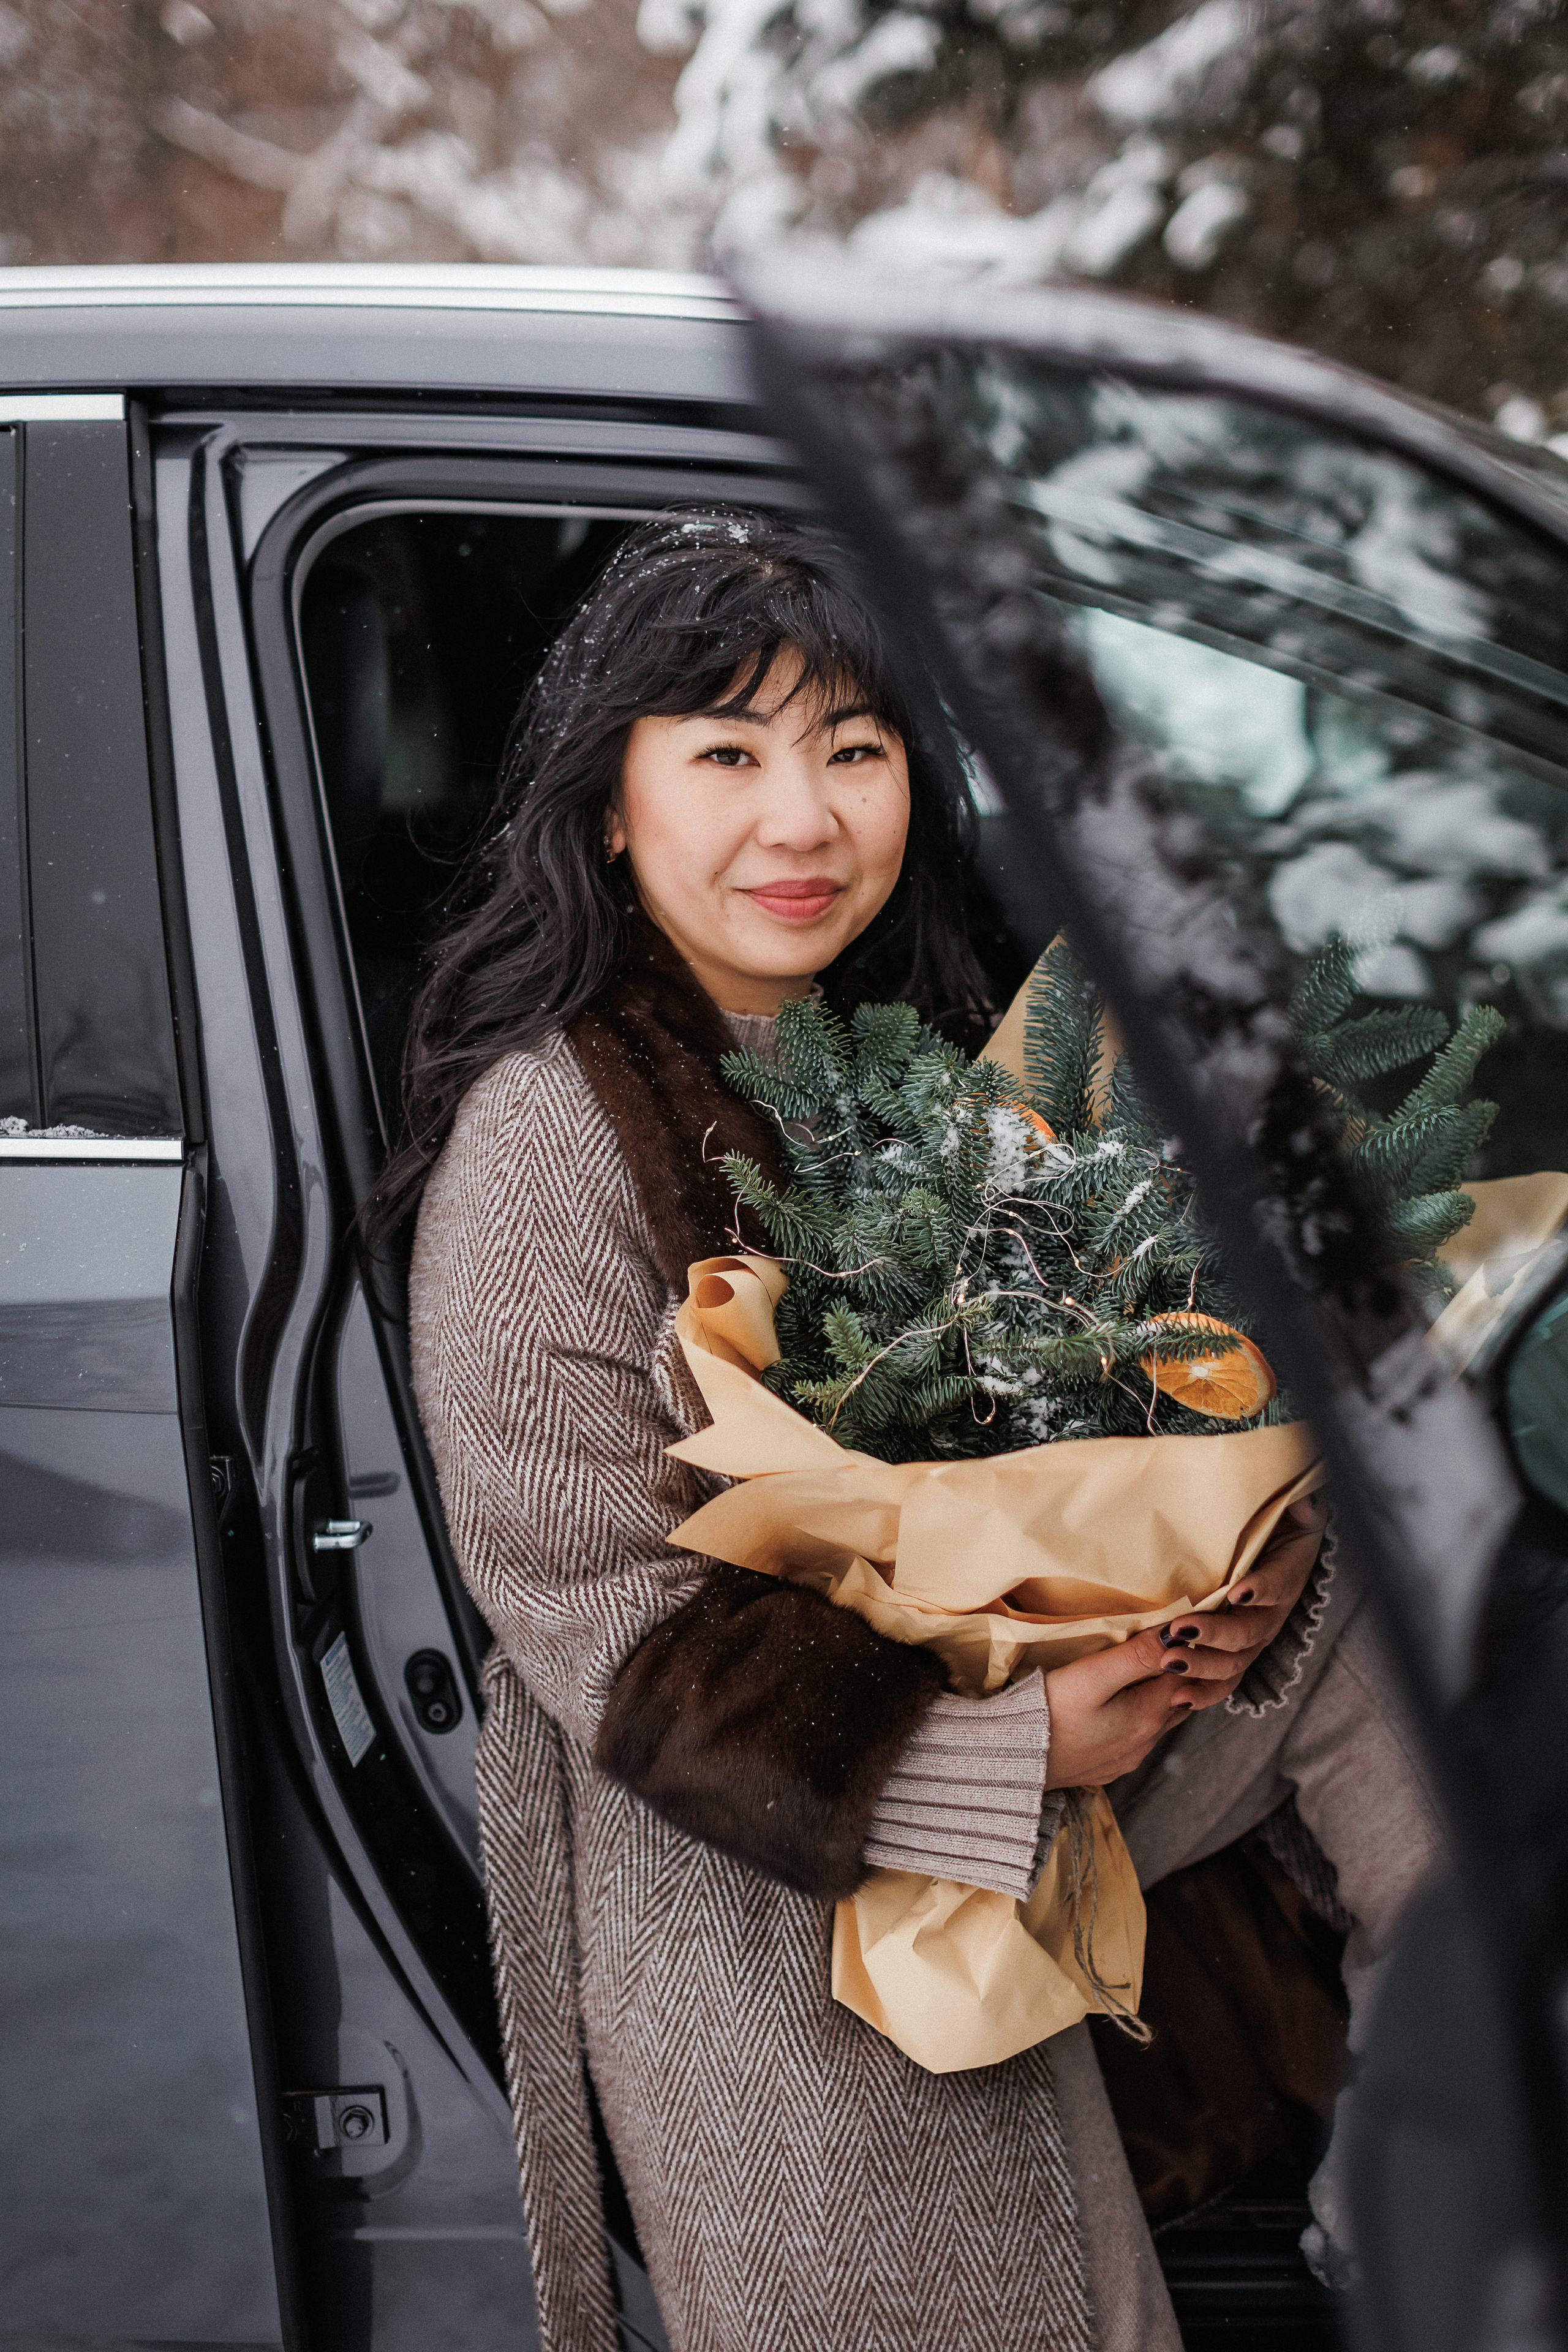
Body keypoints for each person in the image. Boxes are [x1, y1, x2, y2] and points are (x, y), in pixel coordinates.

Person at [383, 509, 1395, 2352]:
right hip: (753, 1892)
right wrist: (1001, 1754)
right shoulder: (546, 1138)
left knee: (1400, 1639)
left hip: (1040, 1782)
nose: (804, 818)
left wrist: (1235, 1587)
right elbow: (606, 1624)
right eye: (728, 754)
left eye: (855, 751)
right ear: (610, 805)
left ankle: (1449, 2155)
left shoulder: (918, 1058)